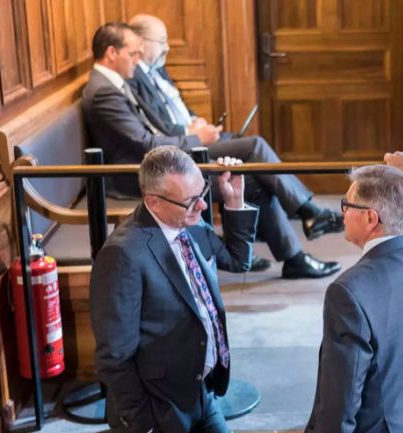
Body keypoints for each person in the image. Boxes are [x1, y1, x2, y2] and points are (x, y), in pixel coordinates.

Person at [82, 22, 340, 278]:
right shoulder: (104, 91)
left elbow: (153, 129)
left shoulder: (114, 83)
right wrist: (194, 138)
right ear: (112, 53)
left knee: (255, 170)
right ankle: (297, 236)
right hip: (137, 177)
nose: (138, 60)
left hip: (158, 164)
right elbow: (145, 145)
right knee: (255, 172)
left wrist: (192, 132)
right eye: (132, 53)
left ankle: (292, 248)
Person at [91, 147, 248, 433]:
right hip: (158, 411)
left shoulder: (191, 223)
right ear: (153, 202)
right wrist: (143, 426)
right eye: (191, 202)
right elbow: (114, 356)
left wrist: (234, 199)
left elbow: (238, 260)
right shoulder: (122, 254)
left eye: (202, 192)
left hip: (201, 395)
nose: (202, 205)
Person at [301, 151, 403, 433]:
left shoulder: (349, 292)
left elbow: (341, 404)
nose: (342, 212)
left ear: (371, 218)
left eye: (347, 205)